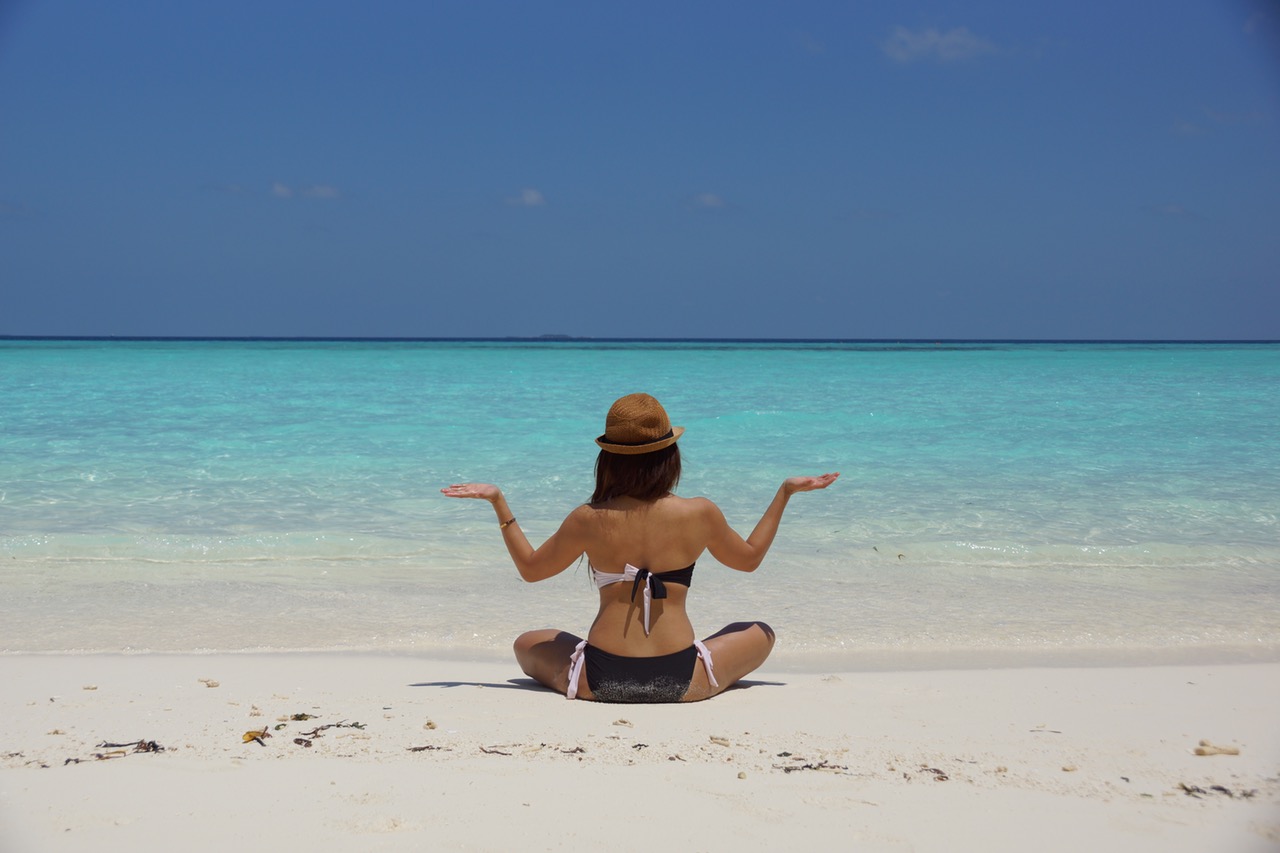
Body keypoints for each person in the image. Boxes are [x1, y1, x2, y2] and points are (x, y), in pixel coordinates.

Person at [441, 392, 839, 702]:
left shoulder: (589, 517)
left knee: (527, 642)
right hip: (682, 681)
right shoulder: (699, 513)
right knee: (759, 632)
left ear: (608, 460)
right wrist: (784, 493)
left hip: (600, 680)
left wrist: (499, 502)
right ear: (670, 456)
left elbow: (530, 570)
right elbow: (749, 560)